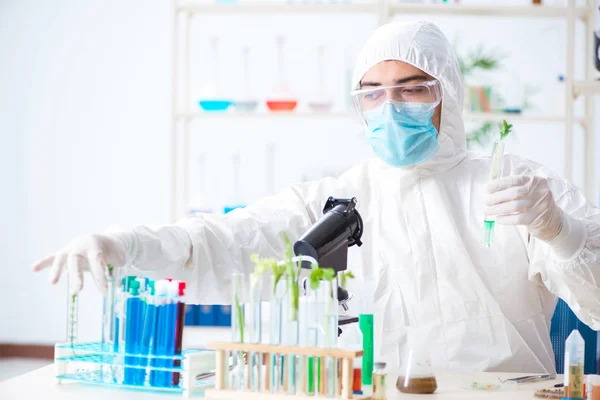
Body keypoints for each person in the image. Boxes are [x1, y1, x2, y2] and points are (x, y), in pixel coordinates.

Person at [33, 21, 600, 374]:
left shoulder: (514, 184)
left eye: (411, 89)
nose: (390, 106)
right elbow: (222, 241)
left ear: (447, 92)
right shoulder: (338, 198)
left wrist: (559, 230)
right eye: (373, 94)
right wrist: (121, 244)